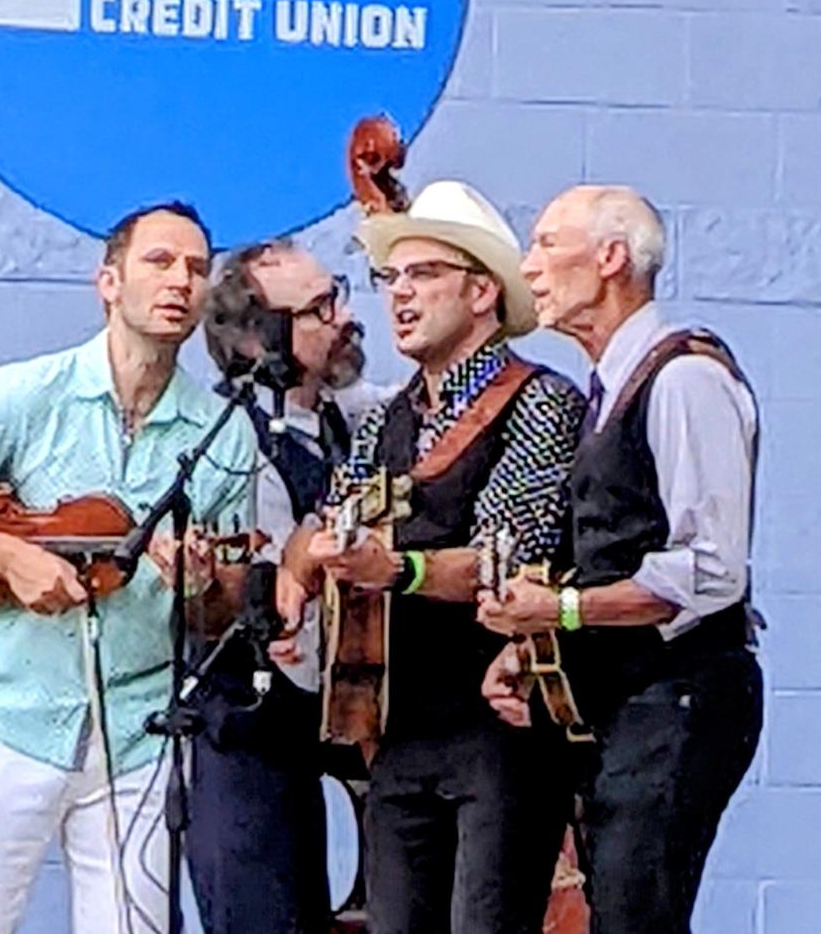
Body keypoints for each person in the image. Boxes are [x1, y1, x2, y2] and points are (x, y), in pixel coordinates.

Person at [0, 202, 257, 934]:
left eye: (197, 269)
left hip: (139, 734)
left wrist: (203, 585)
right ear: (108, 281)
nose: (181, 281)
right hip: (7, 716)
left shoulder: (223, 434)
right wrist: (10, 557)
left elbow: (220, 611)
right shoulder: (27, 393)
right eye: (159, 262)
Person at [282, 181, 588, 934]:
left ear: (483, 292)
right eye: (392, 279)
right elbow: (328, 517)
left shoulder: (540, 403)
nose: (400, 296)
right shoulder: (386, 416)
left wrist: (400, 571)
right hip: (398, 729)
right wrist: (299, 572)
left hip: (498, 736)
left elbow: (505, 561)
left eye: (424, 276)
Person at [479, 184, 763, 932]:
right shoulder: (610, 390)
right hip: (631, 704)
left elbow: (708, 570)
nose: (529, 267)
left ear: (610, 258)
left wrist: (564, 609)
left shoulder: (685, 377)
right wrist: (536, 643)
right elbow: (616, 553)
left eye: (545, 243)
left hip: (682, 697)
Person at [189, 239, 385, 934]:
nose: (345, 317)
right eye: (320, 307)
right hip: (248, 728)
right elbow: (274, 606)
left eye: (338, 292)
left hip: (311, 729)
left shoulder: (338, 416)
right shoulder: (230, 442)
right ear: (257, 339)